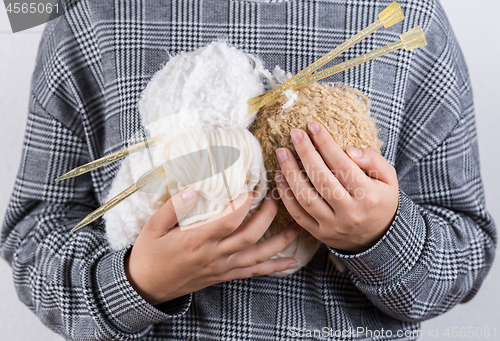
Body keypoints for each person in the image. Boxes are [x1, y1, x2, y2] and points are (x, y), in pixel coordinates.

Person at [1, 0, 496, 340]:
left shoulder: (405, 16)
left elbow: (467, 252)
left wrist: (382, 235)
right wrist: (135, 282)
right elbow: (31, 236)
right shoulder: (87, 13)